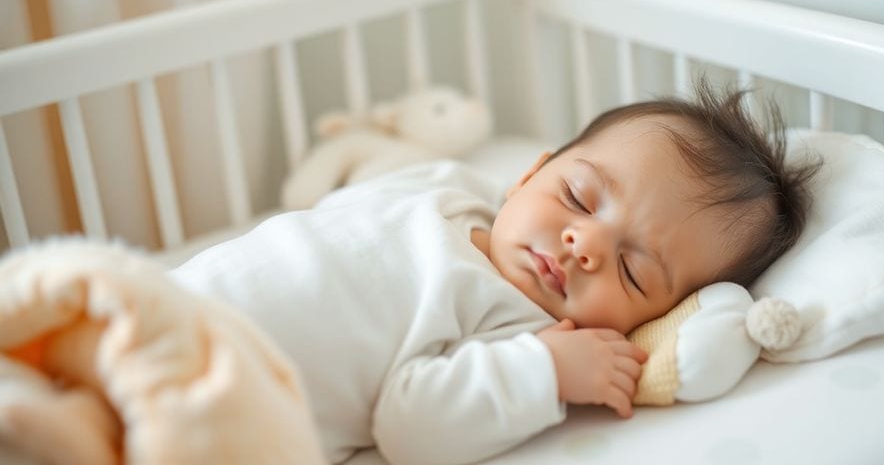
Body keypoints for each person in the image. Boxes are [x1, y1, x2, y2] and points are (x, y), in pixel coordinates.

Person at [169, 80, 817, 465]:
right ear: (530, 173)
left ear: (652, 319)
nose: (582, 244)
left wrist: (548, 370)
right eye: (579, 198)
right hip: (179, 298)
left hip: (206, 414)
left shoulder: (518, 330)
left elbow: (410, 428)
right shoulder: (450, 187)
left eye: (632, 270)